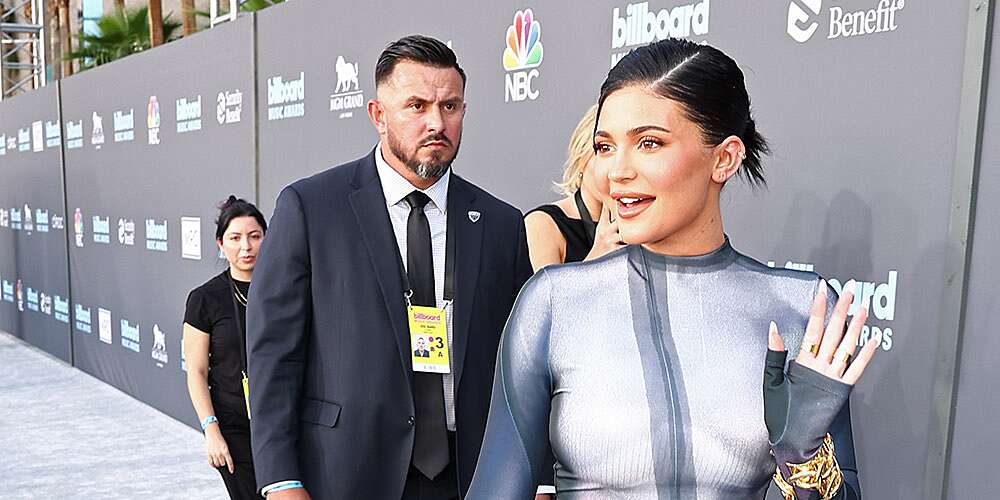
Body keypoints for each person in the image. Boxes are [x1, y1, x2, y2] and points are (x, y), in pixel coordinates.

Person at [468, 38, 878, 499]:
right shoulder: (554, 304)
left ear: (724, 157)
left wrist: (802, 457)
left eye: (648, 143)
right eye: (605, 146)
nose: (616, 172)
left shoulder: (800, 308)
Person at [246, 35, 534, 500]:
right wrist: (281, 480)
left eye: (450, 106)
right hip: (345, 472)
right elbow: (273, 356)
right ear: (378, 115)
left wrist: (533, 475)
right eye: (416, 106)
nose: (436, 123)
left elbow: (523, 366)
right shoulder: (312, 208)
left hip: (471, 477)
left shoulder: (501, 223)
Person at [183, 196, 267, 500]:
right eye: (235, 238)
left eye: (254, 236)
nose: (246, 246)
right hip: (234, 427)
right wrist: (211, 431)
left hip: (285, 420)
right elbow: (196, 371)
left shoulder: (288, 289)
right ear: (220, 244)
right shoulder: (205, 299)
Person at [524, 105, 623, 271]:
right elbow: (544, 297)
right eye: (604, 149)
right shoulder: (543, 223)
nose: (614, 170)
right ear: (581, 158)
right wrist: (595, 258)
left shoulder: (636, 222)